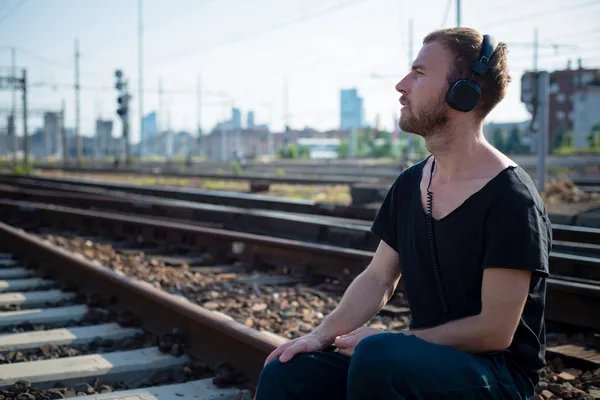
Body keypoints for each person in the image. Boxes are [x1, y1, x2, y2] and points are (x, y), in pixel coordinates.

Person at [255, 27, 552, 400]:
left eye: (419, 73)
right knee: (291, 372)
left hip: (497, 375)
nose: (401, 84)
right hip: (417, 360)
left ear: (464, 92)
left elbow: (494, 330)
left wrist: (398, 341)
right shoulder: (411, 184)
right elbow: (379, 278)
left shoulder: (511, 198)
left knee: (380, 356)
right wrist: (319, 336)